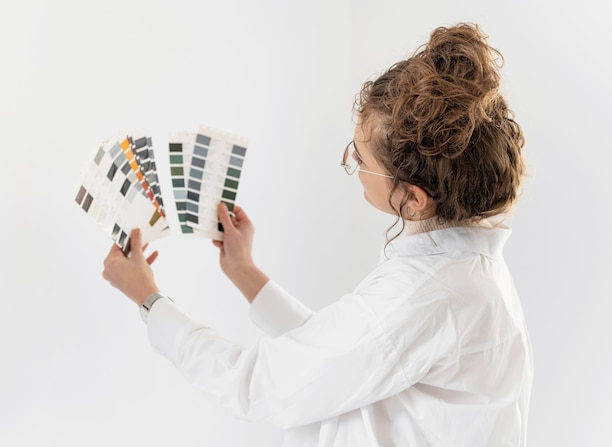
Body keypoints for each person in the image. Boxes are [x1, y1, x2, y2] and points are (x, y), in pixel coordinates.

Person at [102, 23, 532, 447]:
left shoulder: (425, 294)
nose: (352, 165)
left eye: (360, 158)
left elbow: (258, 386)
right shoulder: (463, 273)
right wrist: (245, 272)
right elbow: (341, 355)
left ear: (414, 197)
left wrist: (149, 301)